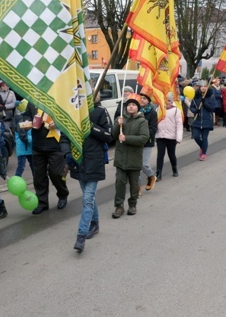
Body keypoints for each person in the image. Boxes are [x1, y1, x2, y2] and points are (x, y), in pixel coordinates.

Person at [61, 91, 112, 252]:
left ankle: (81, 235)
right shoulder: (72, 112)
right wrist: (67, 153)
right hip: (78, 162)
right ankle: (95, 223)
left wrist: (91, 126)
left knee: (88, 199)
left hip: (94, 161)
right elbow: (64, 137)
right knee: (87, 197)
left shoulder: (100, 111)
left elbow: (109, 135)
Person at [111, 93, 149, 218]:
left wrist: (127, 138)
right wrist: (118, 124)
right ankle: (119, 206)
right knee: (120, 183)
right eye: (129, 105)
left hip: (134, 158)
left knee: (134, 184)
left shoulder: (142, 121)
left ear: (137, 108)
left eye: (133, 105)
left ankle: (132, 205)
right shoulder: (121, 119)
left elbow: (143, 138)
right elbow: (113, 135)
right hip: (121, 158)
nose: (131, 107)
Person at [27, 106, 70, 215]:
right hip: (37, 144)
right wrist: (27, 122)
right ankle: (42, 203)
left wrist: (58, 124)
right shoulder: (33, 99)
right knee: (39, 176)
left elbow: (68, 118)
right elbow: (26, 115)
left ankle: (62, 194)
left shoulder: (56, 97)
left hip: (55, 144)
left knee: (56, 173)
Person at [155, 93, 183, 179]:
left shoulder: (176, 110)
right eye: (165, 100)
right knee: (160, 155)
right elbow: (155, 122)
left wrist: (178, 138)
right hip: (160, 136)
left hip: (171, 137)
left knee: (171, 155)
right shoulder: (158, 109)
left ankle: (174, 168)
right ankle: (158, 173)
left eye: (168, 100)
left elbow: (179, 125)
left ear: (171, 101)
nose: (167, 102)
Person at [190, 81, 217, 161]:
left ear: (207, 87)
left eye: (205, 86)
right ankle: (203, 147)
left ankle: (204, 154)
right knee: (196, 136)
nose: (203, 88)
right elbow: (191, 107)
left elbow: (212, 108)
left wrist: (205, 103)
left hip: (207, 120)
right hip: (197, 120)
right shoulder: (195, 96)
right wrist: (195, 111)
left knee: (204, 138)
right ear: (199, 87)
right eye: (201, 86)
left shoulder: (211, 96)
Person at [137, 89, 157, 194]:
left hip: (147, 142)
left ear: (148, 100)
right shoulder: (135, 110)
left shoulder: (152, 112)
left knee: (143, 164)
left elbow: (153, 128)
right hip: (135, 142)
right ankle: (138, 188)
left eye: (144, 98)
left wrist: (144, 135)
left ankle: (151, 175)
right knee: (136, 166)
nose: (142, 100)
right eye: (141, 98)